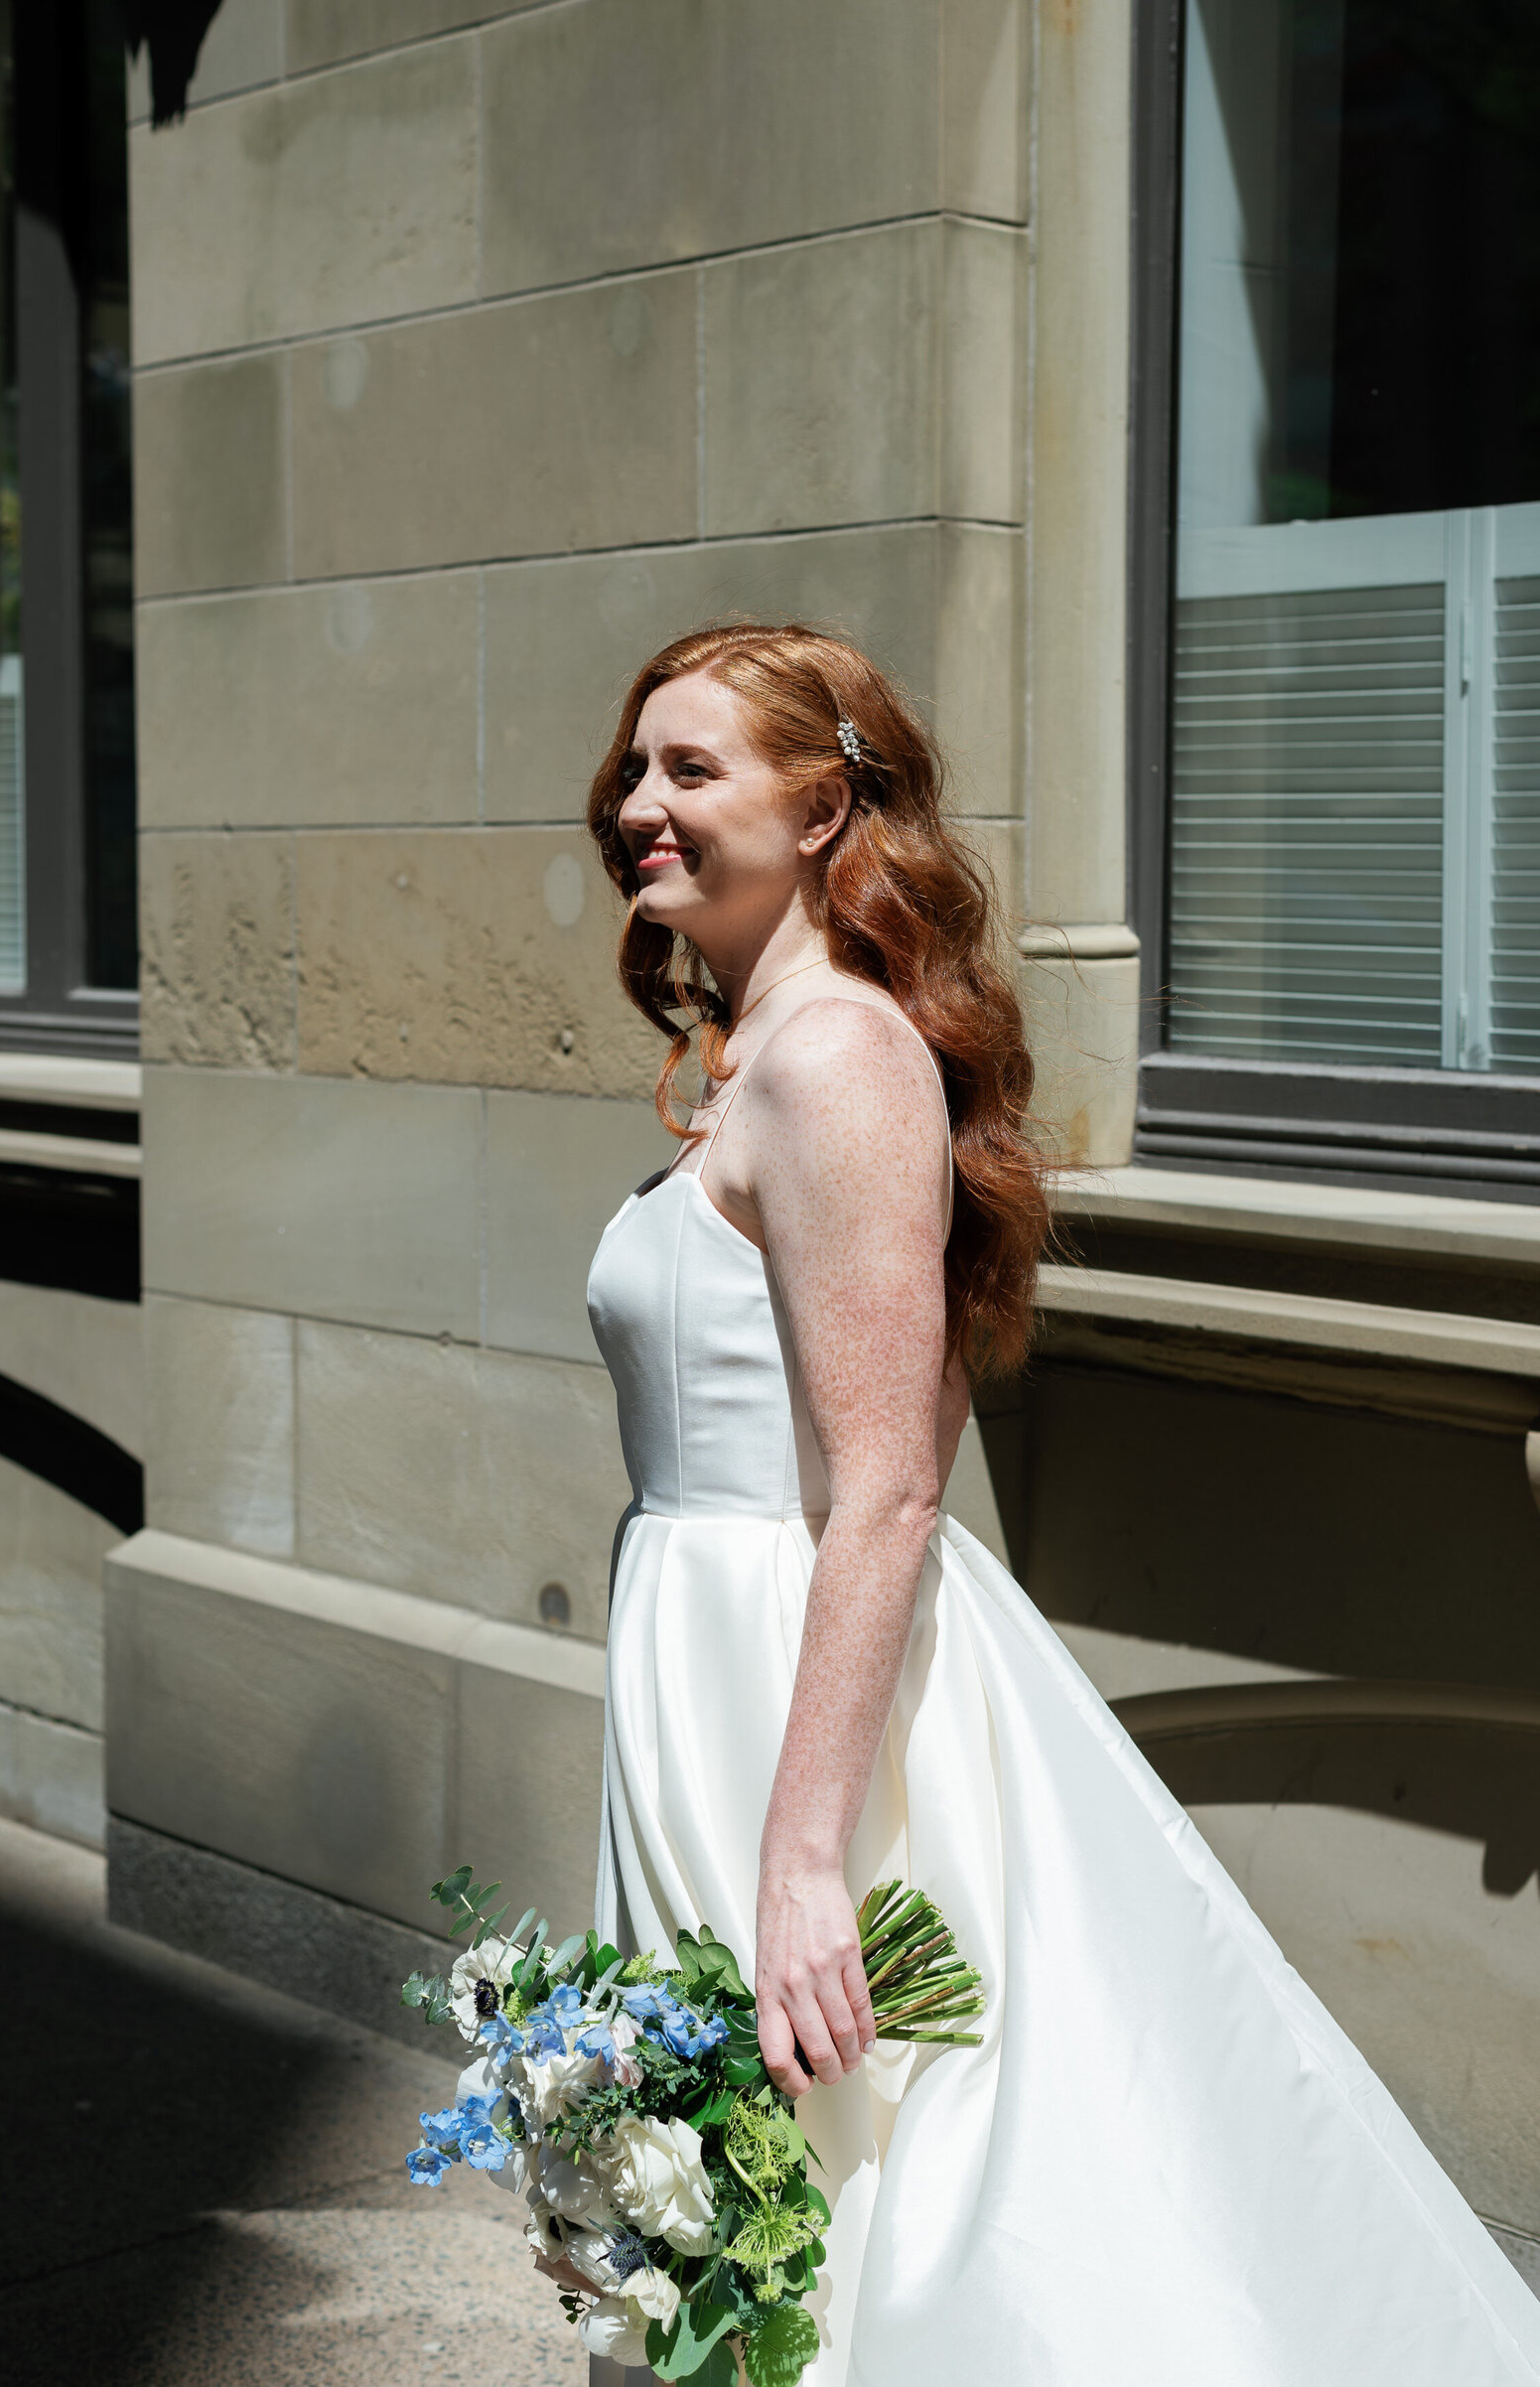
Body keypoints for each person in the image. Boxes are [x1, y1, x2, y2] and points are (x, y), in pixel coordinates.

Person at [582, 623, 1540, 2385]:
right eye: (635, 770)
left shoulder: (834, 1061)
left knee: (875, 2165)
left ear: (821, 806)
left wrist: (805, 1856)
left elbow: (882, 1491)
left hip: (795, 1690)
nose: (637, 806)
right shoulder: (757, 1051)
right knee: (739, 2185)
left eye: (689, 770)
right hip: (706, 1660)